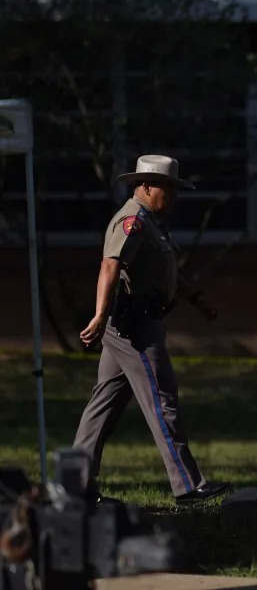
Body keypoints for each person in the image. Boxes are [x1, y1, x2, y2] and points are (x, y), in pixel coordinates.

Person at [73, 154, 232, 505]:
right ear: (145, 186)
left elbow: (167, 273)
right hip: (135, 326)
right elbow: (110, 265)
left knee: (103, 406)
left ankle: (75, 487)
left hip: (136, 321)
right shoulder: (132, 220)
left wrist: (198, 299)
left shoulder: (153, 223)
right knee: (162, 399)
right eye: (167, 189)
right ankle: (188, 485)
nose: (172, 198)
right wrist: (99, 315)